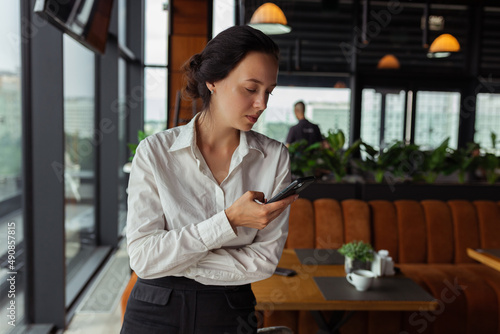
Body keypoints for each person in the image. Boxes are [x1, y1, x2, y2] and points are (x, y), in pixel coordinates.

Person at [120, 25, 297, 334]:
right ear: (213, 80)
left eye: (268, 91)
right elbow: (143, 257)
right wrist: (228, 221)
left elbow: (264, 262)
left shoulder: (275, 158)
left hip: (231, 309)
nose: (263, 104)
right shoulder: (155, 153)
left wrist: (177, 260)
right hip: (153, 309)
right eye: (251, 88)